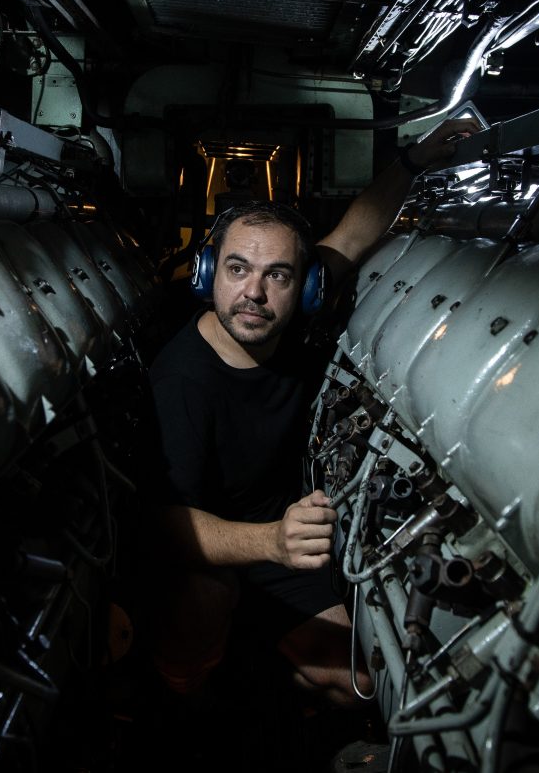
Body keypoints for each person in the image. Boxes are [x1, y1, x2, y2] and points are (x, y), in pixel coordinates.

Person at [145, 117, 479, 707]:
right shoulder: (180, 379)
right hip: (216, 544)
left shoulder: (291, 316)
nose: (254, 292)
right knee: (199, 605)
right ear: (207, 274)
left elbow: (353, 234)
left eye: (277, 275)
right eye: (237, 268)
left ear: (304, 288)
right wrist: (272, 541)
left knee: (361, 685)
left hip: (281, 532)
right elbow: (167, 527)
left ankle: (262, 652)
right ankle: (177, 706)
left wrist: (416, 159)